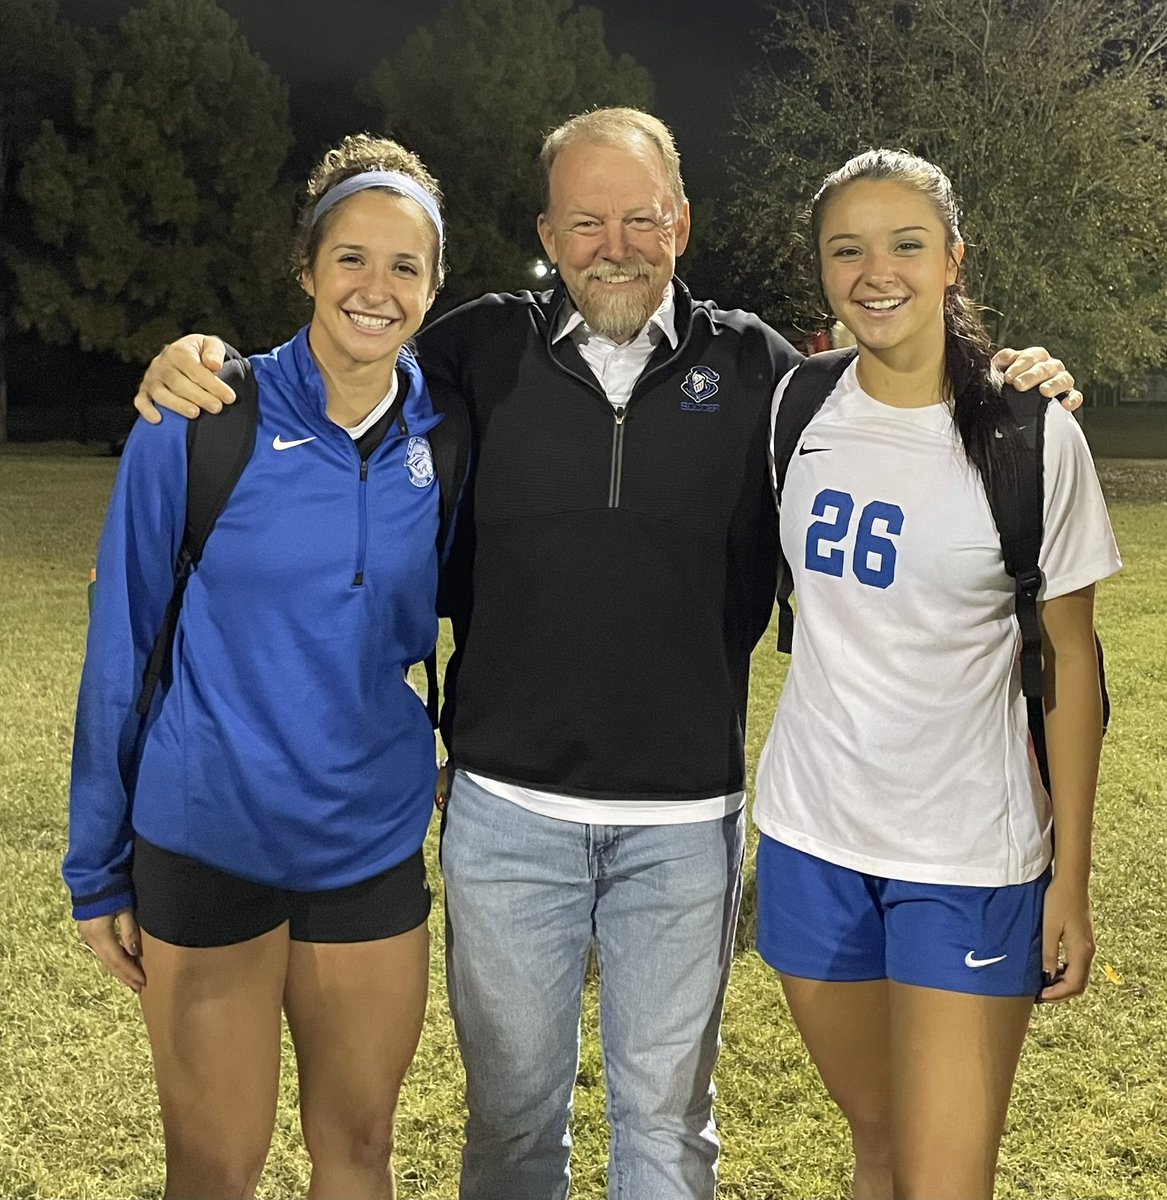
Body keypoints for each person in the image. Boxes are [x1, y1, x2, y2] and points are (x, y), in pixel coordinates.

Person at [132, 109, 1080, 1200]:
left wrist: (1014, 373)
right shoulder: (473, 353)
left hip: (685, 828)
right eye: (586, 222)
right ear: (548, 229)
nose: (614, 244)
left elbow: (895, 394)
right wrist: (205, 363)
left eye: (640, 218)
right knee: (513, 1127)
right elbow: (347, 355)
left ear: (681, 222)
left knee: (669, 1131)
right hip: (504, 816)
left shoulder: (765, 374)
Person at [65, 134, 460, 1200]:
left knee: (359, 1154)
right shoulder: (202, 417)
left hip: (370, 842)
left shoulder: (452, 429)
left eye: (405, 266)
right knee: (213, 1164)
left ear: (435, 286)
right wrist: (94, 862)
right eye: (351, 259)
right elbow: (123, 645)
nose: (375, 290)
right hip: (209, 838)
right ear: (306, 269)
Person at [752, 149, 1120, 1200]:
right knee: (878, 1142)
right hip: (812, 838)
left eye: (908, 243)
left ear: (953, 258)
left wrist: (1073, 880)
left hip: (967, 854)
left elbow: (1075, 670)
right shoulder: (795, 407)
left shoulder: (1030, 434)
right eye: (848, 248)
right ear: (821, 271)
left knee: (944, 1181)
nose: (879, 271)